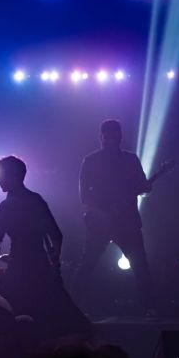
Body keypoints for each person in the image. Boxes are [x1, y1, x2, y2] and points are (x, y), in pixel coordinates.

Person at [0, 155, 93, 344]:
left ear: (11, 176)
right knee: (66, 320)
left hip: (18, 270)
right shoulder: (36, 199)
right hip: (42, 267)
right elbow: (57, 235)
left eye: (0, 175)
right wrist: (54, 260)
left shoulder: (7, 206)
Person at [74, 119, 156, 314]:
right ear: (101, 137)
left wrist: (146, 187)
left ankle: (149, 307)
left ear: (119, 137)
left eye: (114, 135)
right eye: (108, 135)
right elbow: (85, 195)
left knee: (139, 265)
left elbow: (143, 186)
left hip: (126, 221)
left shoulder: (129, 160)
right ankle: (73, 307)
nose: (111, 138)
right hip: (103, 222)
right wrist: (101, 214)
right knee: (88, 265)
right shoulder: (91, 161)